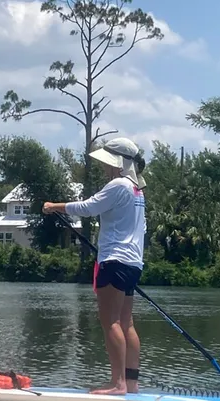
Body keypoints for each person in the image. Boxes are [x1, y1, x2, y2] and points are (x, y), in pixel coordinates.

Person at [42, 137, 147, 395]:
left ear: (118, 163)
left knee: (109, 321)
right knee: (126, 323)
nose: (104, 167)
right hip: (133, 263)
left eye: (106, 162)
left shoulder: (118, 185)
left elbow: (88, 208)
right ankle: (131, 384)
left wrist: (54, 206)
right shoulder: (137, 190)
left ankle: (118, 384)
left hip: (114, 260)